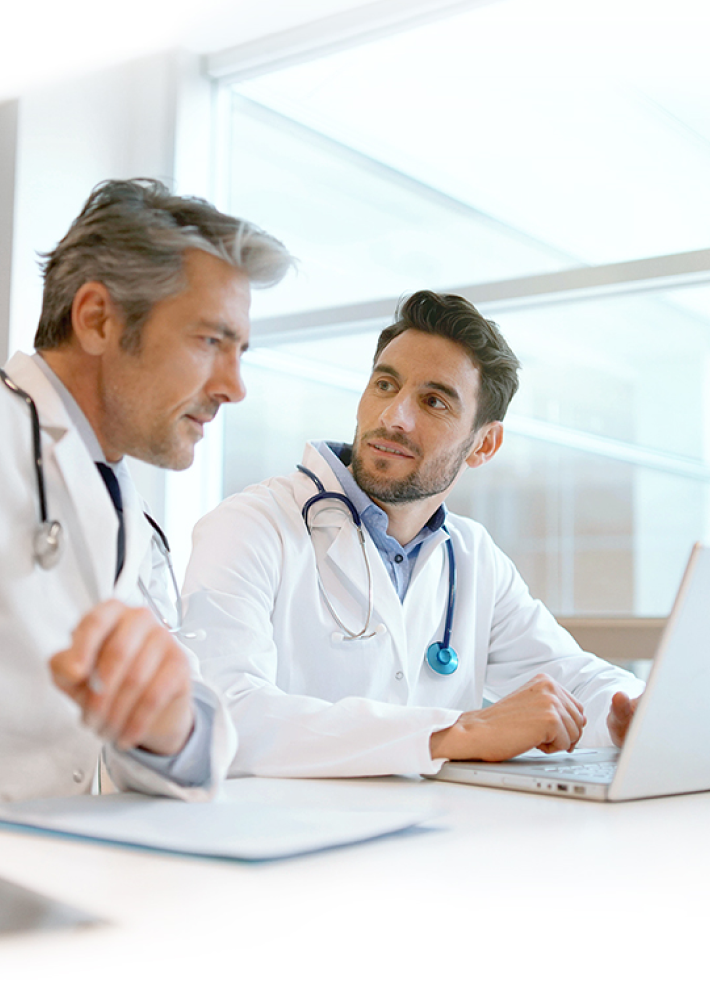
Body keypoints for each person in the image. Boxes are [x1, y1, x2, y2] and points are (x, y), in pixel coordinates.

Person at [181, 290, 645, 778]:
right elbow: (225, 714)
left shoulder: (472, 557)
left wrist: (635, 712)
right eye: (385, 384)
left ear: (483, 444)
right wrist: (455, 734)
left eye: (433, 401)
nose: (393, 417)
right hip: (278, 838)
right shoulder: (252, 526)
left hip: (429, 838)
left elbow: (569, 677)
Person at [0, 177, 292, 801]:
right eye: (211, 340)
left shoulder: (130, 519)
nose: (235, 387)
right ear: (99, 320)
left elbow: (185, 743)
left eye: (240, 350)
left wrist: (168, 726)